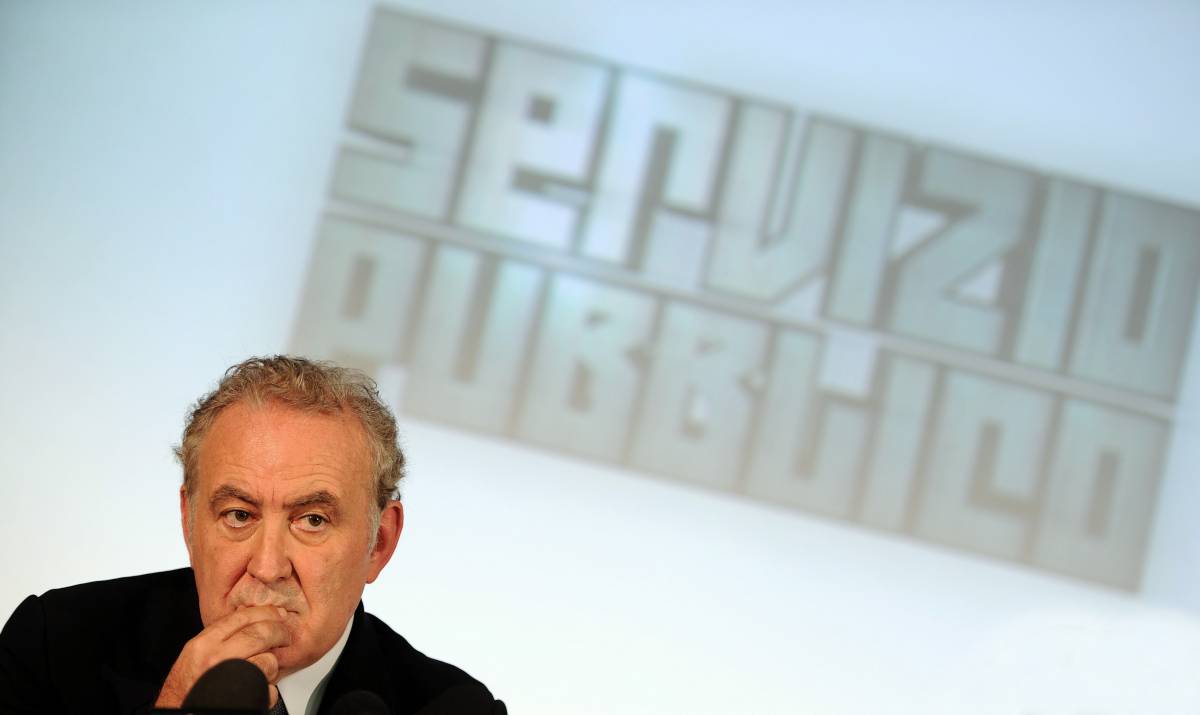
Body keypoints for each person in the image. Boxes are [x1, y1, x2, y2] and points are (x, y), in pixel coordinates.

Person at [0, 355, 504, 714]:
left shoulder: (453, 707)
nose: (267, 567)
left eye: (312, 520)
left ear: (380, 543)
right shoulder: (54, 647)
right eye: (239, 515)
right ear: (189, 521)